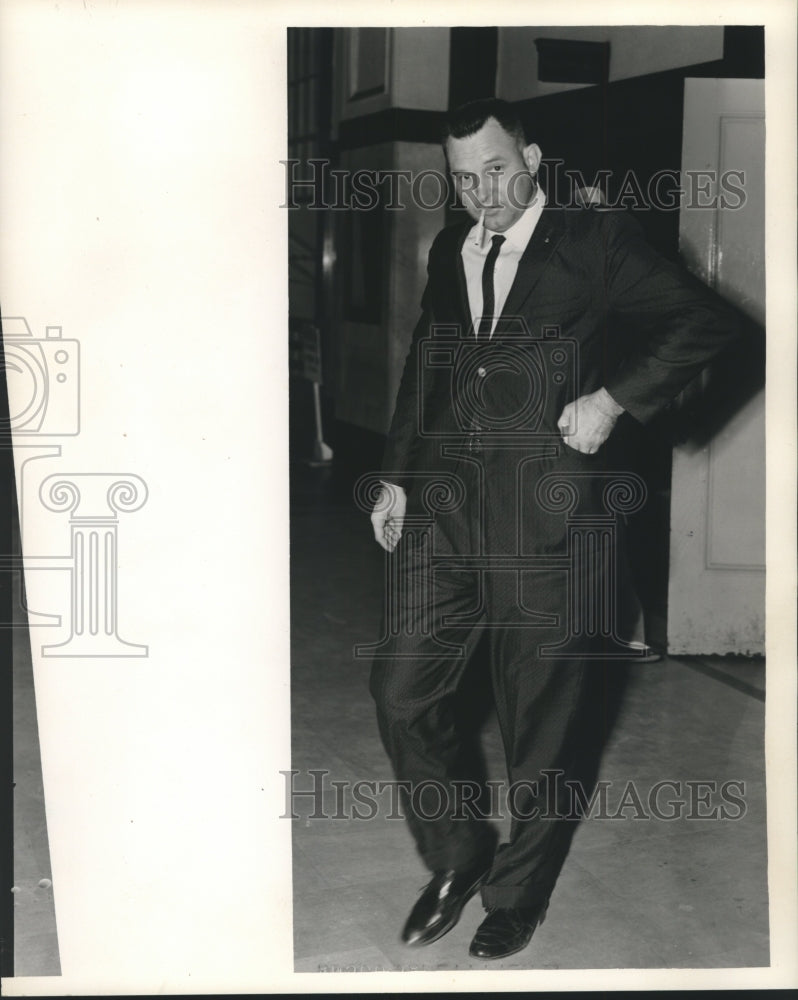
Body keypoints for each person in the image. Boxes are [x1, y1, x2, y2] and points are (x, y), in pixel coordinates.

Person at [368, 98, 740, 960]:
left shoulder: (593, 239)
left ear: (532, 157)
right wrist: (395, 476)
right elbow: (428, 364)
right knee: (399, 690)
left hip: (552, 520)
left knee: (541, 725)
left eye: (497, 169)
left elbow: (704, 323)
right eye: (464, 178)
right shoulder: (449, 247)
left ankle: (518, 892)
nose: (482, 192)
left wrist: (614, 401)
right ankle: (458, 854)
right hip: (449, 513)